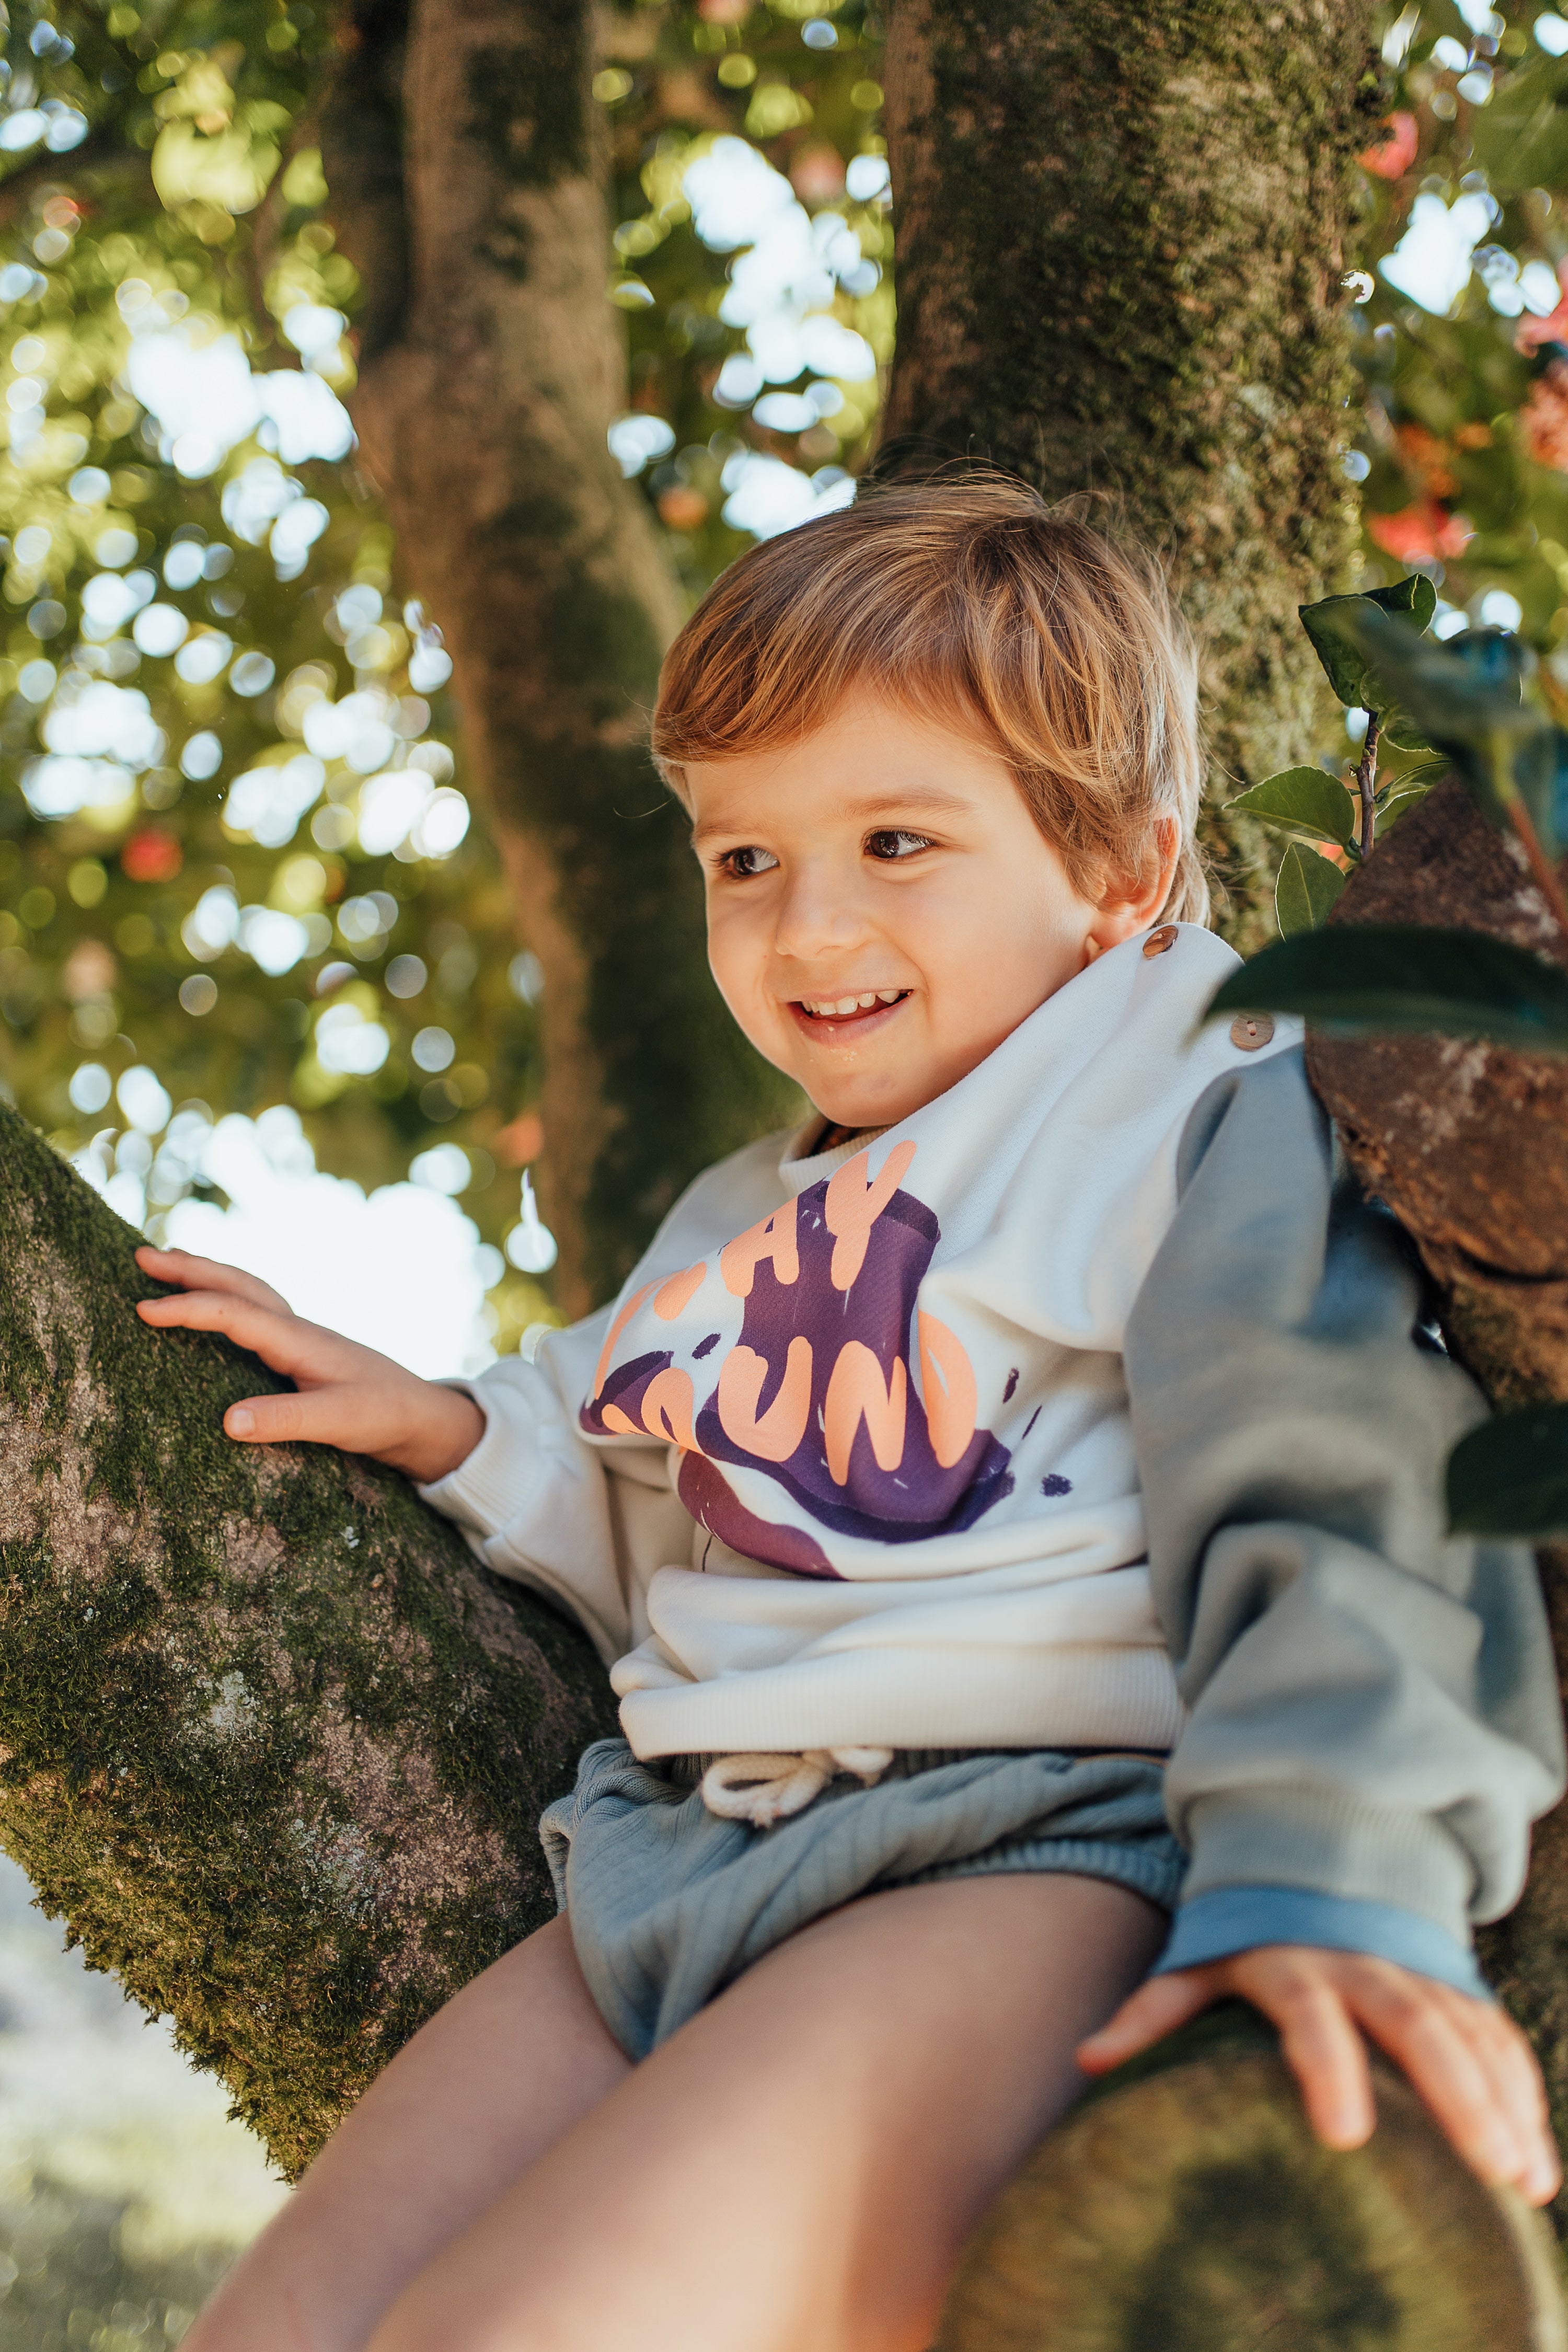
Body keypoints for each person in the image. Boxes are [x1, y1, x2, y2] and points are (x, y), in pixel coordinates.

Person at [140, 481, 1565, 2352]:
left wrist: (1331, 1869)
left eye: (898, 838)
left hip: (1033, 1846)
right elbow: (654, 1471)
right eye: (745, 860)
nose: (810, 923)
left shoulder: (1191, 1088)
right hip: (675, 1852)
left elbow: (1333, 1477)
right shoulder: (742, 1212)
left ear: (1124, 877)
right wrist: (452, 1426)